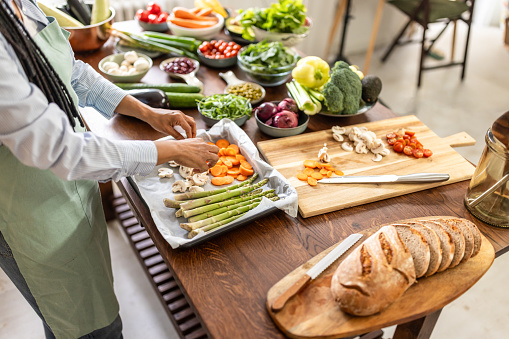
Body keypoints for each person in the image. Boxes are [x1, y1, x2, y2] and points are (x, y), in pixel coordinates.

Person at [0, 0, 219, 338]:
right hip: (28, 215)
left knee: (85, 312)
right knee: (88, 329)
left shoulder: (21, 5)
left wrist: (148, 113)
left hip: (68, 193)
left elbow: (72, 73)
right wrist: (168, 150)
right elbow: (62, 151)